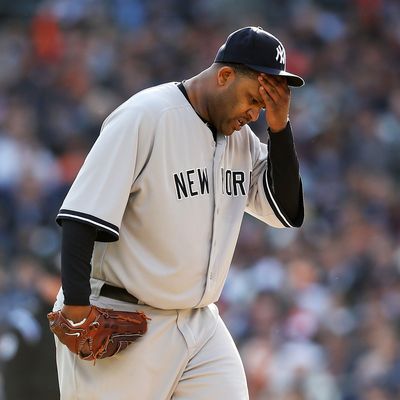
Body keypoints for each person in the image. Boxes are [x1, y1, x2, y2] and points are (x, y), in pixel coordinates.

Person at [51, 26, 305, 399]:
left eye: (263, 107)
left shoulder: (242, 140)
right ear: (224, 76)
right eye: (253, 98)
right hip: (122, 318)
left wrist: (280, 130)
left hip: (198, 325)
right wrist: (76, 311)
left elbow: (286, 210)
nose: (253, 115)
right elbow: (79, 218)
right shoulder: (146, 116)